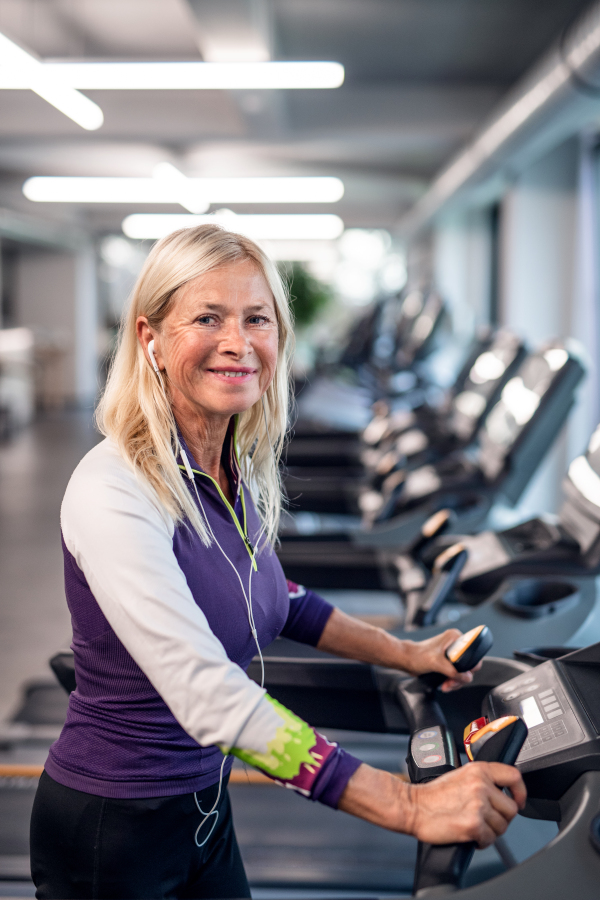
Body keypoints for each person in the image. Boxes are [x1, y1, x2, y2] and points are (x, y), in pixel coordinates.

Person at [29, 225, 526, 900]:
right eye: (207, 318)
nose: (238, 342)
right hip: (113, 830)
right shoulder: (112, 489)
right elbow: (204, 688)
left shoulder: (232, 467)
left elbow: (277, 596)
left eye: (256, 318)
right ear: (151, 339)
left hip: (205, 810)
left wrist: (402, 652)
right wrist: (406, 805)